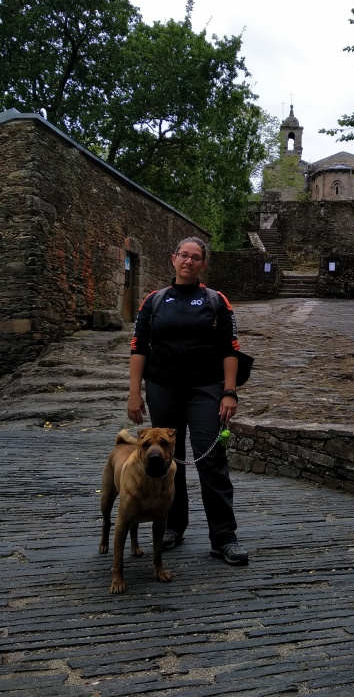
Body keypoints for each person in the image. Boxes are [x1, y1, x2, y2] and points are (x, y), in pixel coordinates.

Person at [127, 236, 248, 565]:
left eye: (195, 257)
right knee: (166, 459)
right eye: (184, 255)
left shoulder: (215, 301)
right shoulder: (154, 301)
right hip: (162, 387)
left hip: (206, 389)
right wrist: (135, 392)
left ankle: (224, 537)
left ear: (203, 265)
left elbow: (230, 349)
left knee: (211, 460)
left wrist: (229, 391)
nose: (189, 261)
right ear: (173, 259)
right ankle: (171, 526)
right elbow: (139, 347)